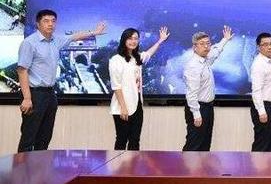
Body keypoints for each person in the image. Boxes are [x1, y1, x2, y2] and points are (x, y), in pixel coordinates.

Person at [17, 9, 106, 152]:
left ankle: (40, 165)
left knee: (45, 136)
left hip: (50, 94)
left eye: (53, 21)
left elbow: (74, 37)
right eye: (46, 21)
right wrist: (27, 98)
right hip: (34, 94)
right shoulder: (29, 43)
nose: (50, 24)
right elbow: (22, 70)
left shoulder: (56, 40)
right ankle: (22, 166)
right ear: (38, 24)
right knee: (29, 136)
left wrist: (94, 32)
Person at [109, 26, 170, 150]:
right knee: (121, 139)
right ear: (124, 40)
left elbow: (148, 53)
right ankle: (119, 163)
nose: (133, 41)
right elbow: (116, 86)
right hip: (122, 106)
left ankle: (133, 163)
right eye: (130, 38)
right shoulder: (116, 60)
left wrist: (160, 41)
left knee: (135, 140)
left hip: (137, 105)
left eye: (136, 38)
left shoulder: (136, 58)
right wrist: (123, 108)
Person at [182, 25, 234, 151]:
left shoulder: (205, 60)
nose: (206, 46)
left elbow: (216, 52)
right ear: (194, 47)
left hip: (208, 108)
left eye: (208, 43)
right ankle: (187, 165)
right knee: (194, 146)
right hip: (198, 108)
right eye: (202, 44)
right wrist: (196, 114)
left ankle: (201, 165)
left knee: (205, 146)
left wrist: (225, 39)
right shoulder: (193, 65)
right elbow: (191, 93)